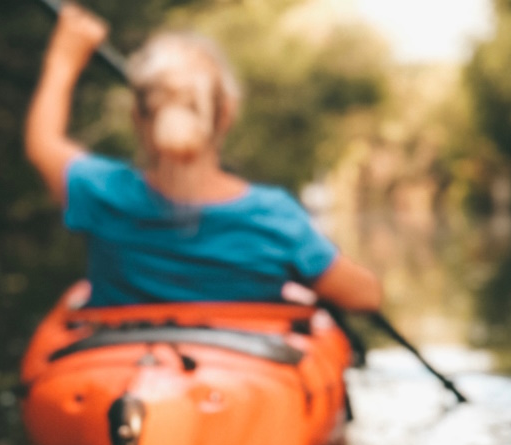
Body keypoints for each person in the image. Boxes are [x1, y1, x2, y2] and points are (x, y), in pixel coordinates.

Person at [24, 3, 383, 311]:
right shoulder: (274, 219)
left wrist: (63, 59)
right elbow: (364, 296)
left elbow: (43, 143)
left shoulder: (103, 194)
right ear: (226, 113)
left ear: (137, 117)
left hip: (119, 365)